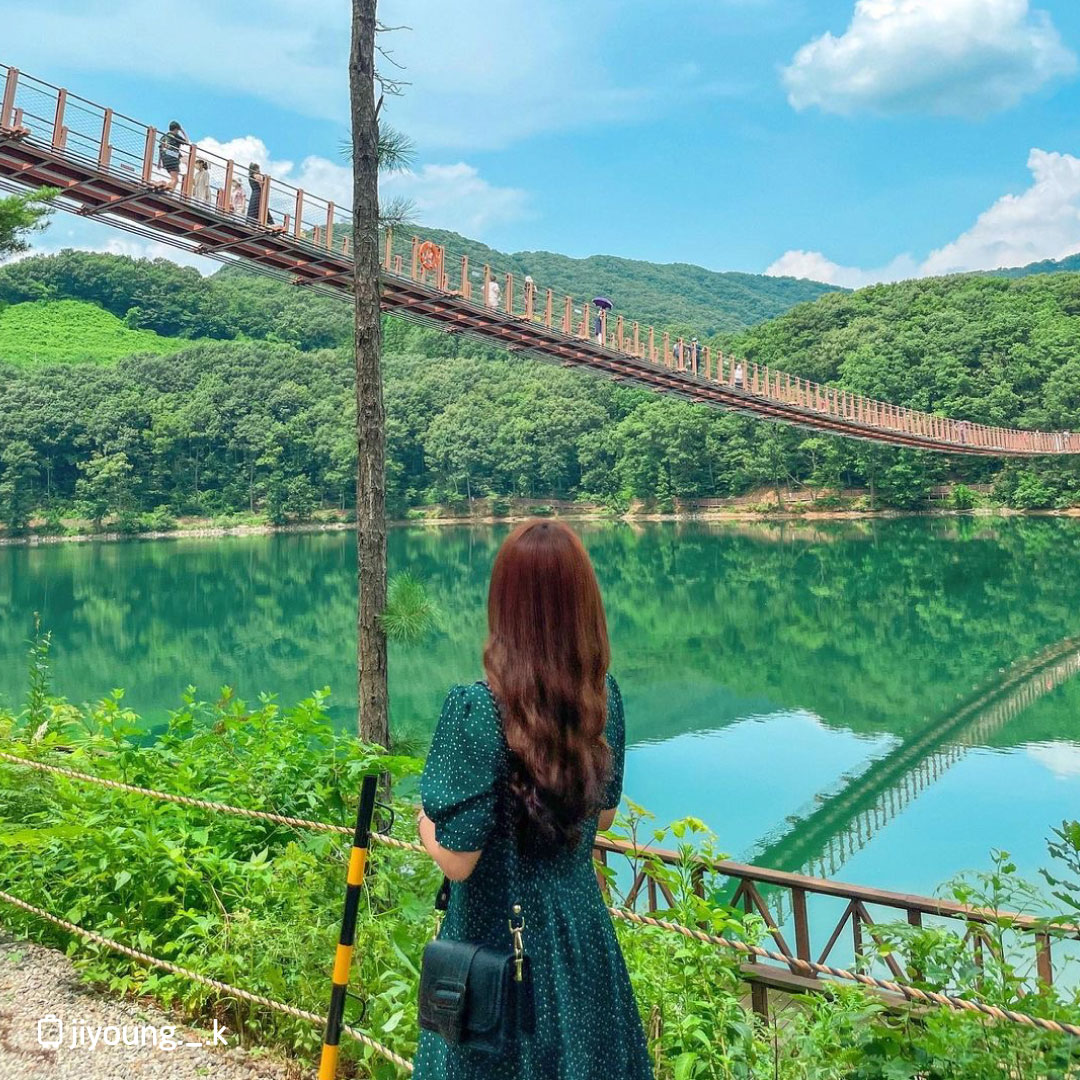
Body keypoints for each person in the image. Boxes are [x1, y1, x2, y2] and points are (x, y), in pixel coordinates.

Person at [415, 520, 655, 1080]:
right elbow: (605, 813)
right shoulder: (603, 698)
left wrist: (426, 824)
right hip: (580, 940)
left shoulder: (476, 712)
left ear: (504, 609)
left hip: (497, 954)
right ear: (584, 606)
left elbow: (459, 858)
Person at [157, 121, 188, 192]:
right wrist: (183, 131)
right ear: (176, 129)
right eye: (178, 130)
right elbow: (187, 142)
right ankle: (167, 189)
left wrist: (159, 162)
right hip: (172, 155)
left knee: (174, 178)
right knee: (175, 180)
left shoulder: (163, 137)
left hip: (164, 156)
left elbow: (160, 149)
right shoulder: (175, 136)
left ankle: (166, 186)